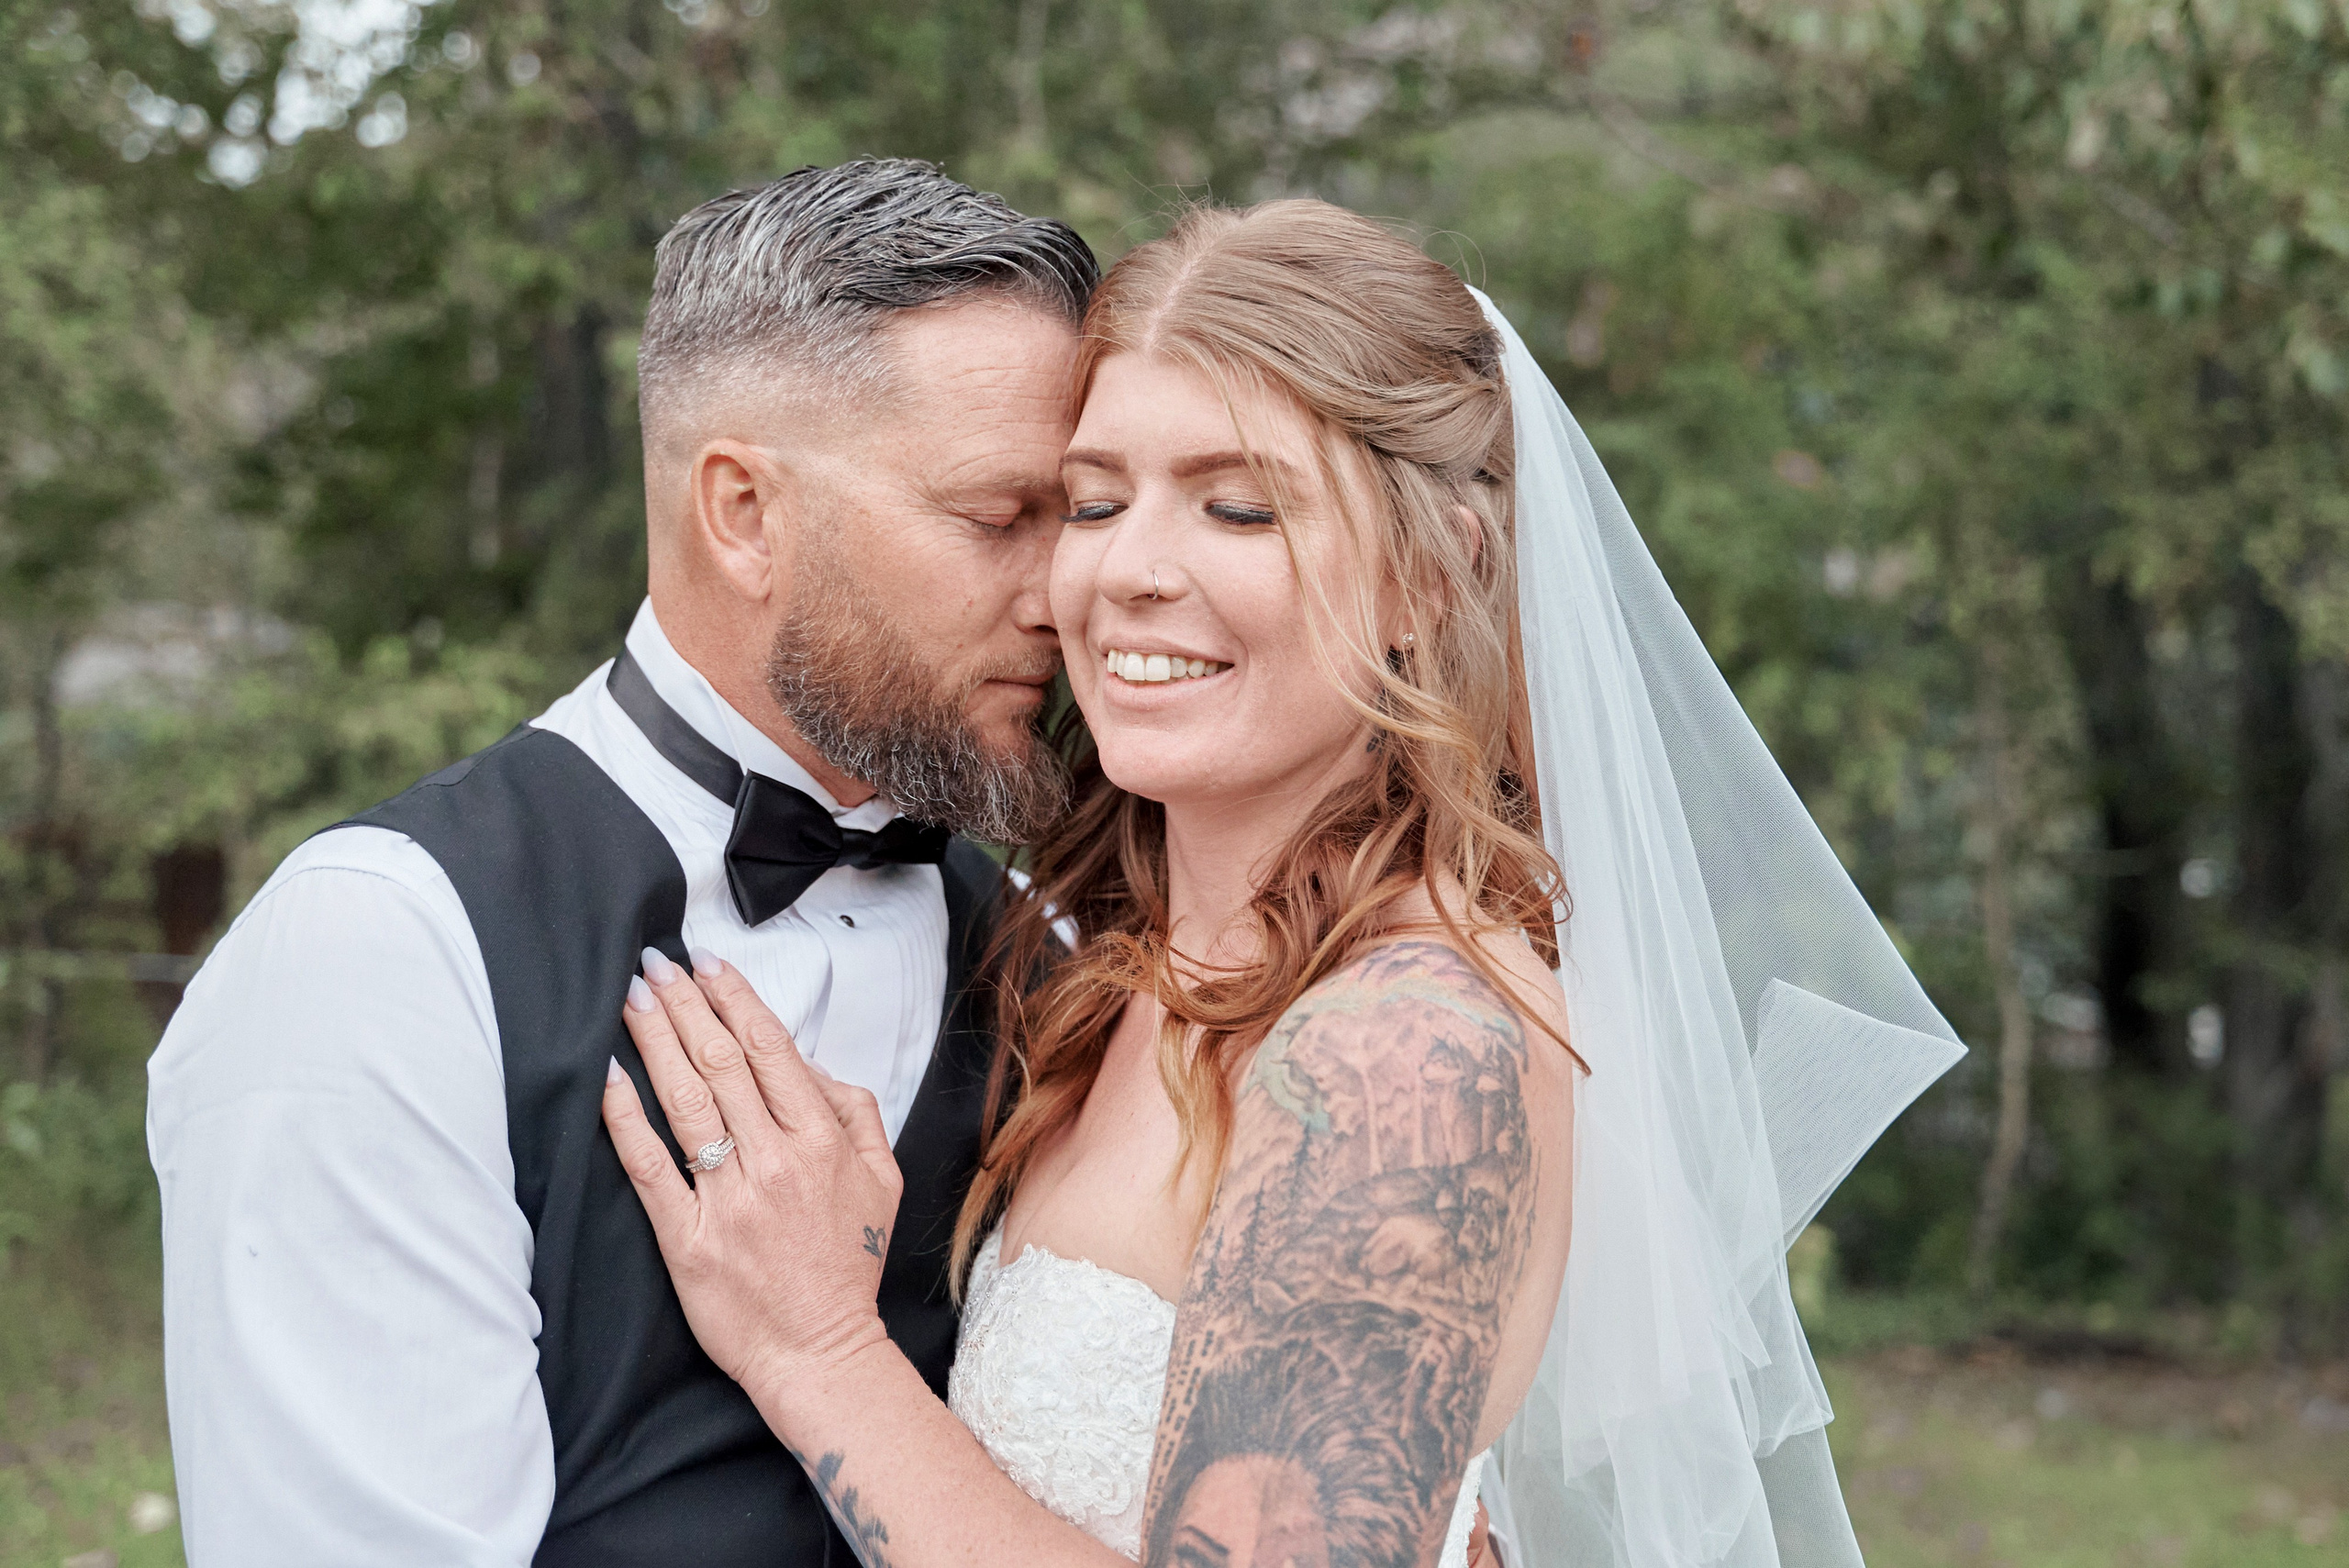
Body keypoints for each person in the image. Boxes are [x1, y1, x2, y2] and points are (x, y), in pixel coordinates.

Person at [601, 198, 1972, 1568]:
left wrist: (824, 1354)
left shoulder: (1411, 1042)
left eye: (1239, 505)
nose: (1129, 570)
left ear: (1433, 581)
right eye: (1093, 500)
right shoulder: (1107, 965)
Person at [144, 158, 1097, 1566]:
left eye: (1075, 520)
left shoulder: (1045, 950)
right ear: (744, 513)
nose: (1065, 592)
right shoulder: (386, 955)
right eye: (996, 520)